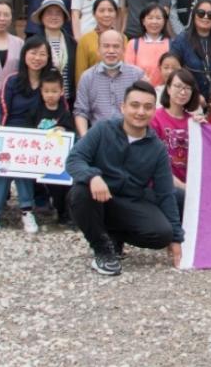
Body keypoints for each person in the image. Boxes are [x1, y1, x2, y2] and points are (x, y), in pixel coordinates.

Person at [65, 80, 184, 275]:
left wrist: (176, 239)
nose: (140, 112)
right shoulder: (102, 129)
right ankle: (102, 250)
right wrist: (92, 176)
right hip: (98, 197)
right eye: (135, 105)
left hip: (130, 200)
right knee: (79, 193)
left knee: (162, 234)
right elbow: (74, 159)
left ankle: (115, 235)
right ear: (123, 107)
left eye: (147, 107)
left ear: (154, 111)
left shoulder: (157, 148)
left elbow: (165, 194)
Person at [0, 38, 54, 234]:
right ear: (24, 54)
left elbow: (59, 108)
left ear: (48, 57)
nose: (37, 58)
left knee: (21, 165)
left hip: (37, 134)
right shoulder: (12, 80)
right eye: (33, 53)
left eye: (42, 54)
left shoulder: (51, 80)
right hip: (10, 131)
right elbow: (2, 109)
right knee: (2, 165)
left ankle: (26, 210)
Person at [75, 29, 146, 136]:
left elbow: (144, 109)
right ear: (98, 49)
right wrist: (85, 138)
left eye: (116, 46)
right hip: (99, 136)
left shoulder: (137, 75)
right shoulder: (87, 77)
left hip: (130, 136)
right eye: (106, 46)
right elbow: (81, 111)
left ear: (123, 50)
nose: (111, 51)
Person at [152, 69, 207, 208]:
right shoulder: (155, 118)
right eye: (178, 86)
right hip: (163, 185)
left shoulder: (194, 122)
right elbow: (154, 164)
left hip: (189, 185)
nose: (183, 92)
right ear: (168, 89)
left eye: (188, 88)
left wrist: (205, 130)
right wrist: (183, 187)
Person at [31, 70, 76, 227]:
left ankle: (64, 213)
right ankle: (40, 206)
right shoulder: (35, 111)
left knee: (61, 187)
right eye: (47, 91)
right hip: (38, 156)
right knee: (41, 185)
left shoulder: (64, 113)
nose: (50, 95)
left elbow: (72, 133)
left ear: (61, 91)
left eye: (54, 91)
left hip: (57, 159)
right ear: (41, 91)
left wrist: (64, 129)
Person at [168, 0, 211, 98]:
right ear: (194, 15)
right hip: (188, 96)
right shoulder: (182, 39)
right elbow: (174, 69)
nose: (206, 17)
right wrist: (193, 95)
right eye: (201, 13)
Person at [33, 0, 76, 101]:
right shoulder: (34, 42)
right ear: (42, 17)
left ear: (64, 17)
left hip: (67, 99)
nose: (54, 17)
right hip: (41, 100)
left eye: (58, 13)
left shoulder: (72, 43)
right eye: (49, 13)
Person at [77, 0, 126, 78]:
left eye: (110, 10)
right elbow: (80, 72)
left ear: (116, 13)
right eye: (101, 11)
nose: (106, 14)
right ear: (94, 14)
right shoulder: (85, 40)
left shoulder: (123, 38)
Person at [124, 4, 171, 86]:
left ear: (164, 21)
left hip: (165, 90)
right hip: (140, 89)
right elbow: (128, 72)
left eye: (158, 18)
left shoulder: (172, 44)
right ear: (143, 21)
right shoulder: (133, 44)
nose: (154, 22)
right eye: (150, 18)